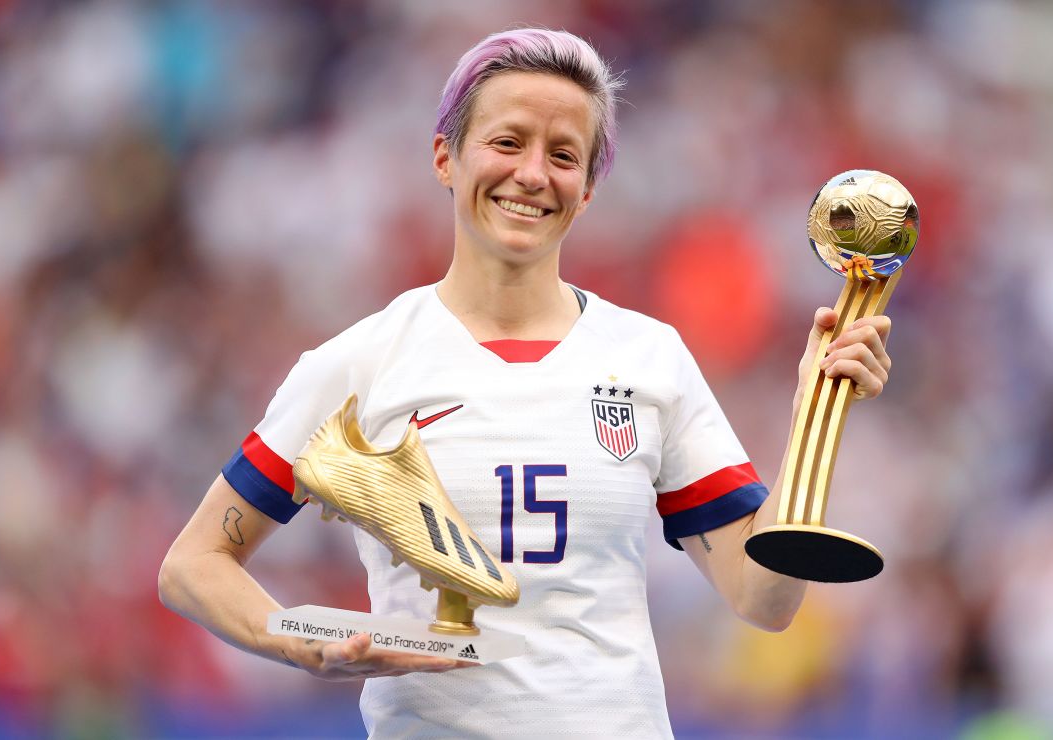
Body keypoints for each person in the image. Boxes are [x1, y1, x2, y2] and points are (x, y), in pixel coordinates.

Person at [158, 27, 893, 738]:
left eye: (564, 154)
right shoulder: (360, 365)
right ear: (446, 157)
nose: (533, 174)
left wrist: (815, 415)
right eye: (507, 142)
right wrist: (300, 637)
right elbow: (193, 565)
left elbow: (763, 599)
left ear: (589, 189)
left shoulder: (649, 358)